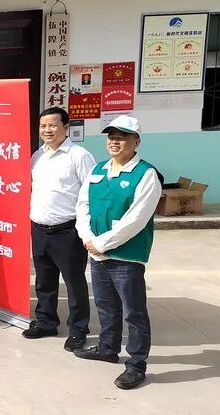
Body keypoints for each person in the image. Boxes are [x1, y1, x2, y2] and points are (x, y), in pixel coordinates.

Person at [74, 115, 161, 390]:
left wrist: (102, 243)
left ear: (136, 141)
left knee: (134, 312)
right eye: (111, 136)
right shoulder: (98, 169)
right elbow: (82, 206)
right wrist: (87, 237)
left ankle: (136, 363)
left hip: (126, 256)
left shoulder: (146, 174)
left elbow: (137, 219)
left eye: (122, 137)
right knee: (105, 305)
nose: (115, 141)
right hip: (96, 252)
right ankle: (107, 347)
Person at [23, 107, 96, 350]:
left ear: (65, 127)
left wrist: (87, 230)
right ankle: (46, 321)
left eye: (52, 125)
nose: (47, 130)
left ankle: (78, 329)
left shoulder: (79, 156)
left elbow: (91, 193)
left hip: (68, 231)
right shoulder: (37, 156)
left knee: (74, 282)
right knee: (44, 280)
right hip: (39, 228)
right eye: (43, 126)